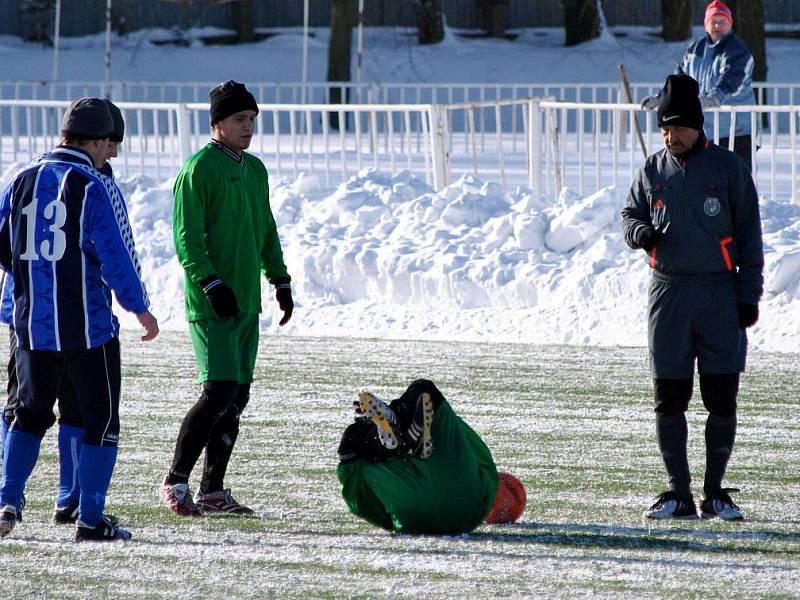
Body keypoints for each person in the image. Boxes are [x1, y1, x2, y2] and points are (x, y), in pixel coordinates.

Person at [0, 97, 159, 541]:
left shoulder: (20, 179)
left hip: (30, 325)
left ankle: (6, 500)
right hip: (87, 328)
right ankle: (90, 518)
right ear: (96, 140)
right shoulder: (91, 185)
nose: (113, 153)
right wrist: (139, 307)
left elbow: (3, 247)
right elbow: (115, 256)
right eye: (111, 144)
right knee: (100, 420)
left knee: (26, 416)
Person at [622, 74, 764, 521]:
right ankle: (677, 493)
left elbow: (750, 235)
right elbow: (629, 215)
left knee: (721, 396)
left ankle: (715, 492)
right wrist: (639, 233)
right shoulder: (652, 169)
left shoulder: (727, 169)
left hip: (719, 294)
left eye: (679, 127)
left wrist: (748, 292)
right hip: (668, 294)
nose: (671, 135)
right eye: (665, 127)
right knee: (669, 395)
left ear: (698, 126)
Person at [160, 80, 293, 517]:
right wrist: (211, 283)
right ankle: (175, 482)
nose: (248, 127)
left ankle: (212, 490)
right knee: (217, 392)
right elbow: (186, 238)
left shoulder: (255, 170)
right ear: (217, 123)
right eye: (239, 119)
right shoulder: (198, 169)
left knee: (237, 396)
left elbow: (266, 228)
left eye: (252, 119)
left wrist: (280, 279)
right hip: (211, 303)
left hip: (245, 305)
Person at [337, 379, 499, 535]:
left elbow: (362, 503)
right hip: (454, 508)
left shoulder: (489, 480)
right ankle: (400, 436)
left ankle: (395, 428)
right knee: (360, 445)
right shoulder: (483, 499)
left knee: (423, 389)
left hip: (415, 513)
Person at [641, 1, 757, 171]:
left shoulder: (737, 49)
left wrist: (714, 98)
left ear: (730, 24)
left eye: (722, 21)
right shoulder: (696, 49)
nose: (717, 25)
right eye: (713, 21)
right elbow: (679, 79)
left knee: (735, 183)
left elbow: (733, 78)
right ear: (706, 24)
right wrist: (663, 98)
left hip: (736, 131)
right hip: (706, 130)